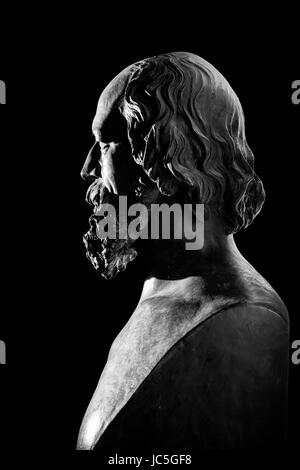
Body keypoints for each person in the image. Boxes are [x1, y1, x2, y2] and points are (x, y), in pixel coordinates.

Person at [77, 52, 289, 451]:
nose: (88, 168)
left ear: (169, 161)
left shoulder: (244, 318)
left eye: (105, 144)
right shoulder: (155, 294)